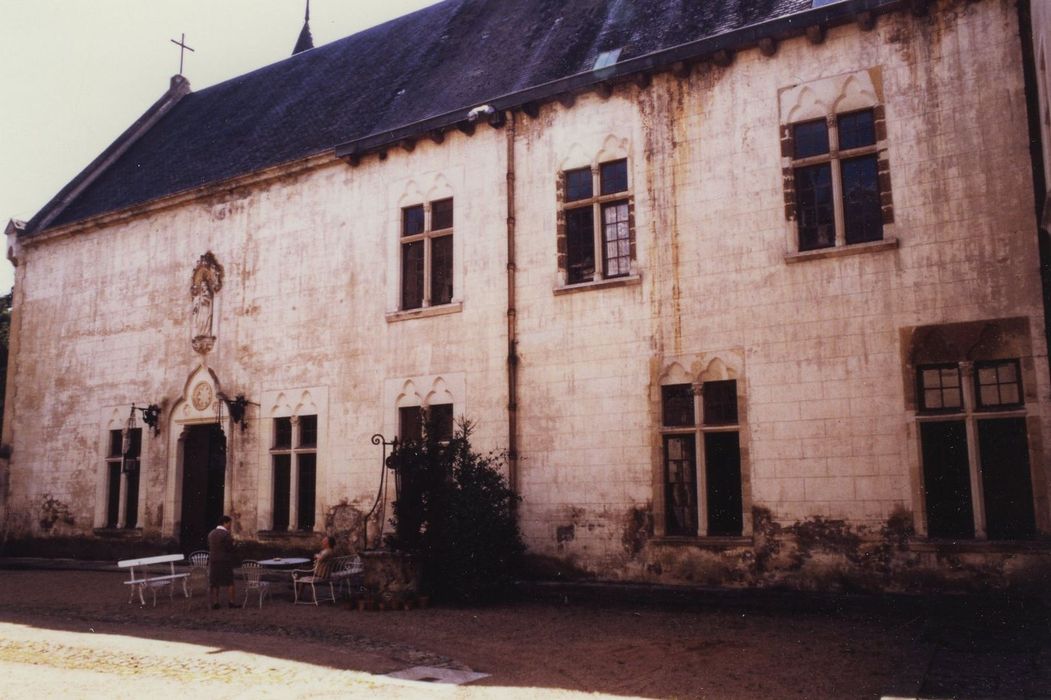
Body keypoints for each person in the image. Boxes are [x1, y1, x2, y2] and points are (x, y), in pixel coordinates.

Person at [207, 515, 236, 609]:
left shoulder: (211, 533)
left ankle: (216, 603)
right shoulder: (226, 534)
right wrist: (234, 544)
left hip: (213, 560)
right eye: (229, 523)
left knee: (215, 582)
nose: (230, 525)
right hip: (224, 560)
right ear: (225, 523)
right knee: (230, 582)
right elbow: (229, 548)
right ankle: (231, 602)